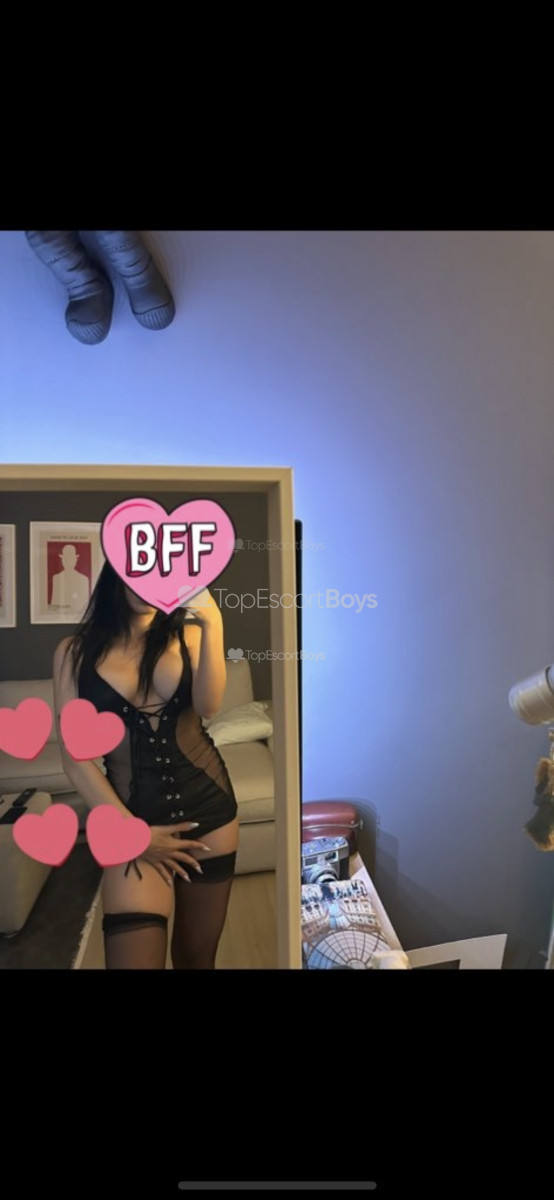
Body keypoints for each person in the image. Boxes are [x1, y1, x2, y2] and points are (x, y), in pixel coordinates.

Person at [52, 562, 239, 969]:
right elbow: (76, 759)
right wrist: (133, 834)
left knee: (197, 959)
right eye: (139, 569)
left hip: (209, 813)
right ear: (117, 574)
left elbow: (208, 707)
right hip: (130, 820)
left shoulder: (191, 636)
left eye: (160, 573)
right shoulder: (74, 653)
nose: (149, 584)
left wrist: (213, 621)